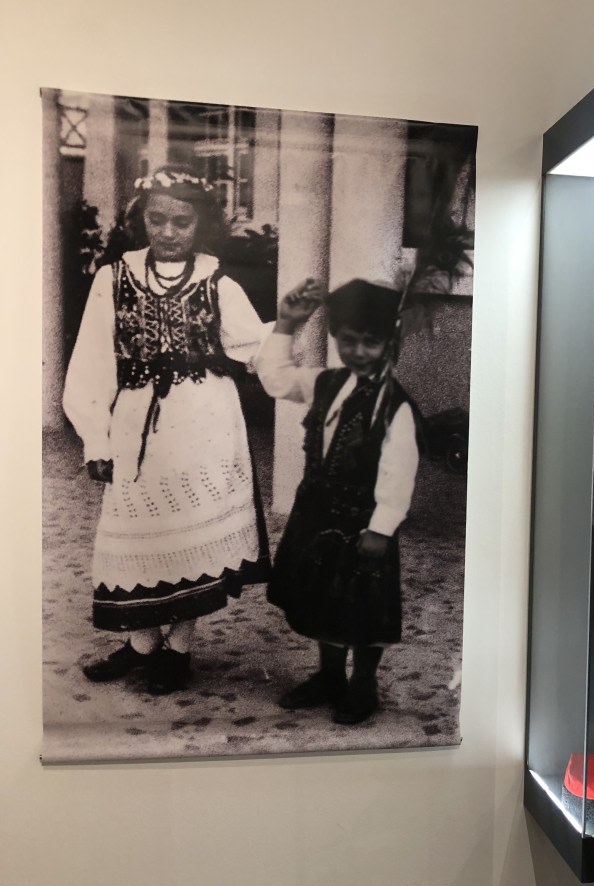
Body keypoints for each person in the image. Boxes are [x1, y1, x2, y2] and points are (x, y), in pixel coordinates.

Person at [62, 166, 270, 695]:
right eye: (158, 219)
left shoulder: (217, 281)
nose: (169, 231)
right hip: (137, 424)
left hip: (206, 424)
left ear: (202, 224)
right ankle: (140, 644)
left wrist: (290, 323)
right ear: (141, 220)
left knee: (191, 533)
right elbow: (90, 364)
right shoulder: (114, 279)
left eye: (181, 221)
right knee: (132, 535)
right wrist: (96, 436)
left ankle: (177, 649)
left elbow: (256, 349)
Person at [254, 277, 420, 725]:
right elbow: (274, 378)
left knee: (364, 605)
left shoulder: (394, 406)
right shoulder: (325, 382)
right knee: (325, 599)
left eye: (371, 342)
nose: (359, 352)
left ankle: (363, 682)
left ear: (389, 342)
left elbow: (398, 471)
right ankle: (329, 675)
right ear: (336, 339)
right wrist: (287, 324)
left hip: (364, 525)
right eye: (349, 341)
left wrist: (381, 527)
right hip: (319, 516)